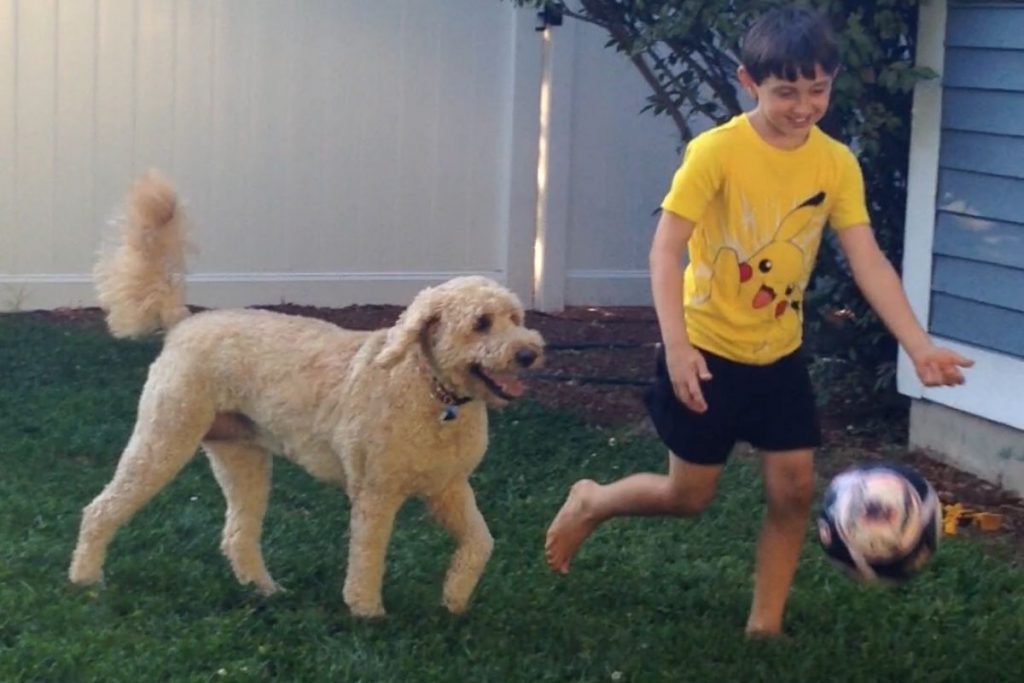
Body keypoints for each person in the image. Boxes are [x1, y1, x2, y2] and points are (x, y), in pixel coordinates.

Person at [544, 4, 973, 637]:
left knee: (795, 489)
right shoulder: (715, 152)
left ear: (832, 81)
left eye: (818, 89)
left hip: (778, 354)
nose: (804, 105)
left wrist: (917, 344)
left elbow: (869, 261)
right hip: (706, 351)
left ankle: (764, 624)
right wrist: (678, 346)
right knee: (688, 497)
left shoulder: (834, 164)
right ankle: (594, 500)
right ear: (751, 83)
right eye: (786, 92)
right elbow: (666, 251)